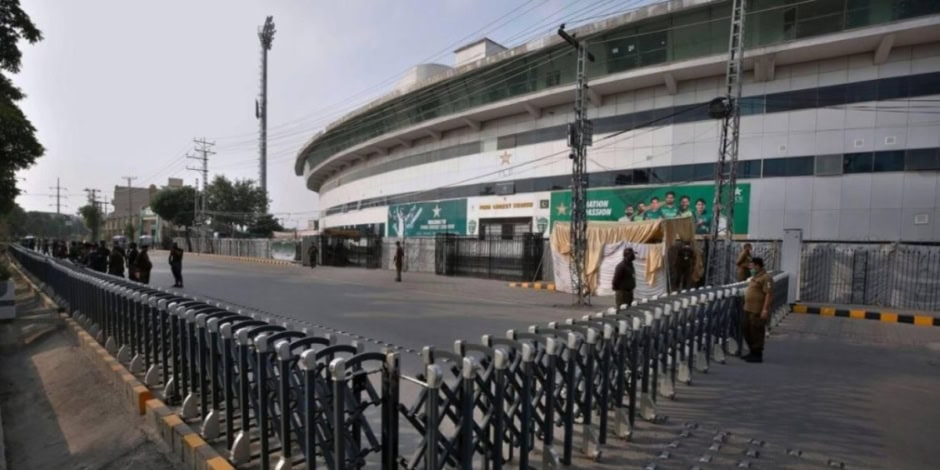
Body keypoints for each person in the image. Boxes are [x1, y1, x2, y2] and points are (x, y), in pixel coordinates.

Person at [742, 257, 772, 363]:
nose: (750, 268)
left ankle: (757, 354)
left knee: (756, 332)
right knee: (746, 329)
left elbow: (768, 294)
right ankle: (751, 351)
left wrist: (765, 310)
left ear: (757, 266)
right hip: (748, 308)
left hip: (757, 310)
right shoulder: (754, 277)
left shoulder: (766, 277)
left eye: (752, 266)